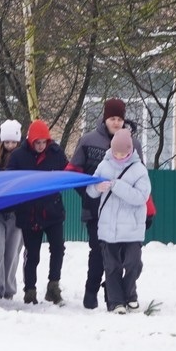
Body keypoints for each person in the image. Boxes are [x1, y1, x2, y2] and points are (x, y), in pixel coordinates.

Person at [72, 98, 132, 309]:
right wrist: (88, 196)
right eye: (112, 118)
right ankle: (91, 291)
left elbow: (139, 176)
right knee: (98, 250)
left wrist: (146, 209)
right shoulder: (88, 141)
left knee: (119, 252)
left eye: (119, 119)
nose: (116, 123)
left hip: (122, 210)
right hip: (95, 209)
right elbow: (74, 172)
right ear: (105, 119)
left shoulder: (132, 143)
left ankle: (113, 293)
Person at [91, 128, 152, 314]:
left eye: (122, 152)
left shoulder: (139, 169)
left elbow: (141, 196)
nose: (118, 156)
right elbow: (90, 191)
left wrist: (116, 186)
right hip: (108, 228)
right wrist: (96, 187)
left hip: (132, 228)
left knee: (134, 263)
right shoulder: (104, 165)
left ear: (130, 150)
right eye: (115, 152)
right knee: (112, 266)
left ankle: (130, 294)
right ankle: (116, 302)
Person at [10, 120, 69, 304]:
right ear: (30, 140)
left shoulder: (56, 153)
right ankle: (30, 290)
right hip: (30, 214)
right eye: (37, 142)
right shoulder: (19, 156)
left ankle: (53, 286)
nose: (41, 146)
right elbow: (10, 180)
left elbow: (68, 173)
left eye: (44, 142)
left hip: (53, 211)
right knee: (32, 254)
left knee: (58, 248)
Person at [0, 120, 25, 299]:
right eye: (7, 142)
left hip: (16, 211)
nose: (10, 146)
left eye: (13, 142)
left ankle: (8, 287)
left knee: (12, 252)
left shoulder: (24, 157)